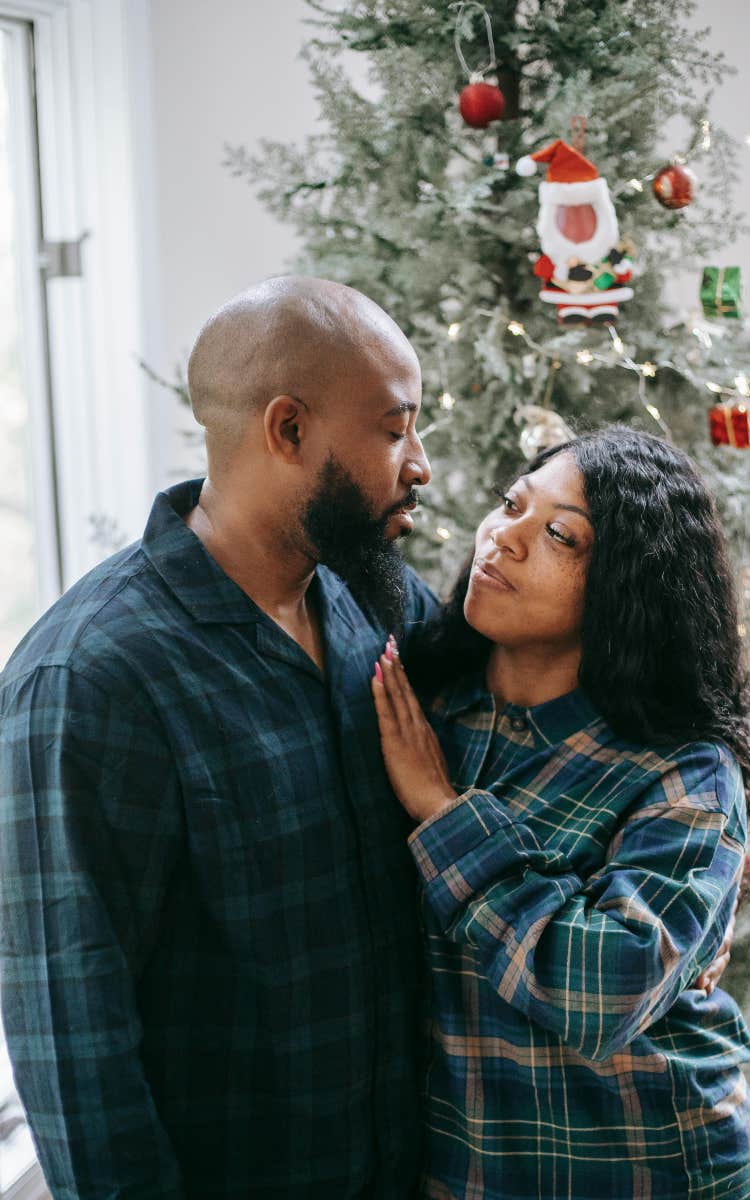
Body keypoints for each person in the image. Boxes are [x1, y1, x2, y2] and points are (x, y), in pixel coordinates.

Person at [0, 276, 437, 1198]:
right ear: (288, 430)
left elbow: (527, 680)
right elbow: (77, 1051)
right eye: (395, 430)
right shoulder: (92, 679)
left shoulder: (365, 596)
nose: (420, 464)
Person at [372, 427, 750, 1200]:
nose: (504, 538)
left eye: (560, 534)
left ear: (628, 582)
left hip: (653, 1169)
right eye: (511, 505)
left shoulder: (682, 770)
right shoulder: (427, 711)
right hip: (467, 1173)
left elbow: (608, 992)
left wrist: (442, 813)